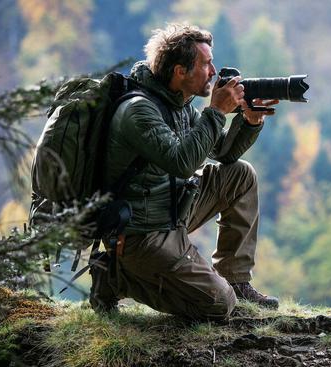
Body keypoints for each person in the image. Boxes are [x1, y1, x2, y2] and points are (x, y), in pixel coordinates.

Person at [89, 23, 280, 320]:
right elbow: (182, 162)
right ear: (180, 71)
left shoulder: (179, 104)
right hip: (143, 234)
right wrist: (216, 111)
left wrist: (249, 120)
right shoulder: (139, 110)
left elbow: (223, 154)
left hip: (174, 210)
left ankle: (236, 279)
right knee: (219, 305)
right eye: (206, 64)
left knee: (240, 175)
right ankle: (116, 277)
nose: (214, 71)